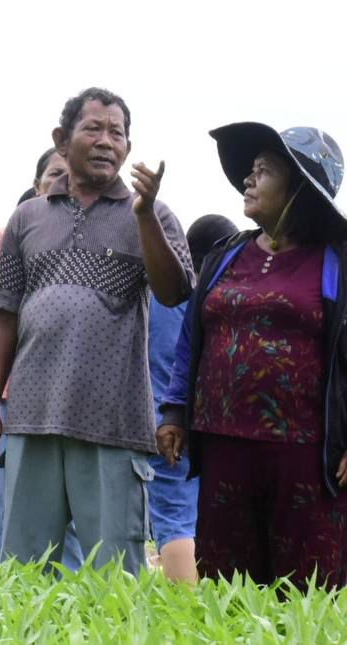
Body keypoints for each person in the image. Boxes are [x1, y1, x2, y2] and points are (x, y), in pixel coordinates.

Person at [0, 87, 193, 575]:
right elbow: (4, 314)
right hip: (30, 417)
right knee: (21, 575)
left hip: (112, 423)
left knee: (112, 579)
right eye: (93, 128)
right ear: (62, 139)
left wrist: (144, 217)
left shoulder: (152, 213)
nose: (106, 141)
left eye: (117, 133)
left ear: (128, 149)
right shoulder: (26, 218)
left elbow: (174, 290)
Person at [158, 124, 347, 590]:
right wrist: (175, 410)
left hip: (304, 453)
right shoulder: (226, 255)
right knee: (228, 587)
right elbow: (190, 340)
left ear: (300, 186)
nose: (248, 179)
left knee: (307, 589)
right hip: (222, 446)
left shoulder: (336, 260)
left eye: (263, 171)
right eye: (250, 170)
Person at [0, 148, 81, 569]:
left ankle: (67, 611)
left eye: (71, 175)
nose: (62, 182)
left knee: (68, 518)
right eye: (53, 174)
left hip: (71, 401)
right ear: (36, 186)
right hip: (9, 396)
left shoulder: (93, 242)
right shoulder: (7, 236)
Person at [144, 213, 237, 584]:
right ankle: (195, 609)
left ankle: (187, 613)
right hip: (199, 425)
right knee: (187, 518)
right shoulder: (210, 300)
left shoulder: (161, 295)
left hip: (158, 419)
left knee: (172, 518)